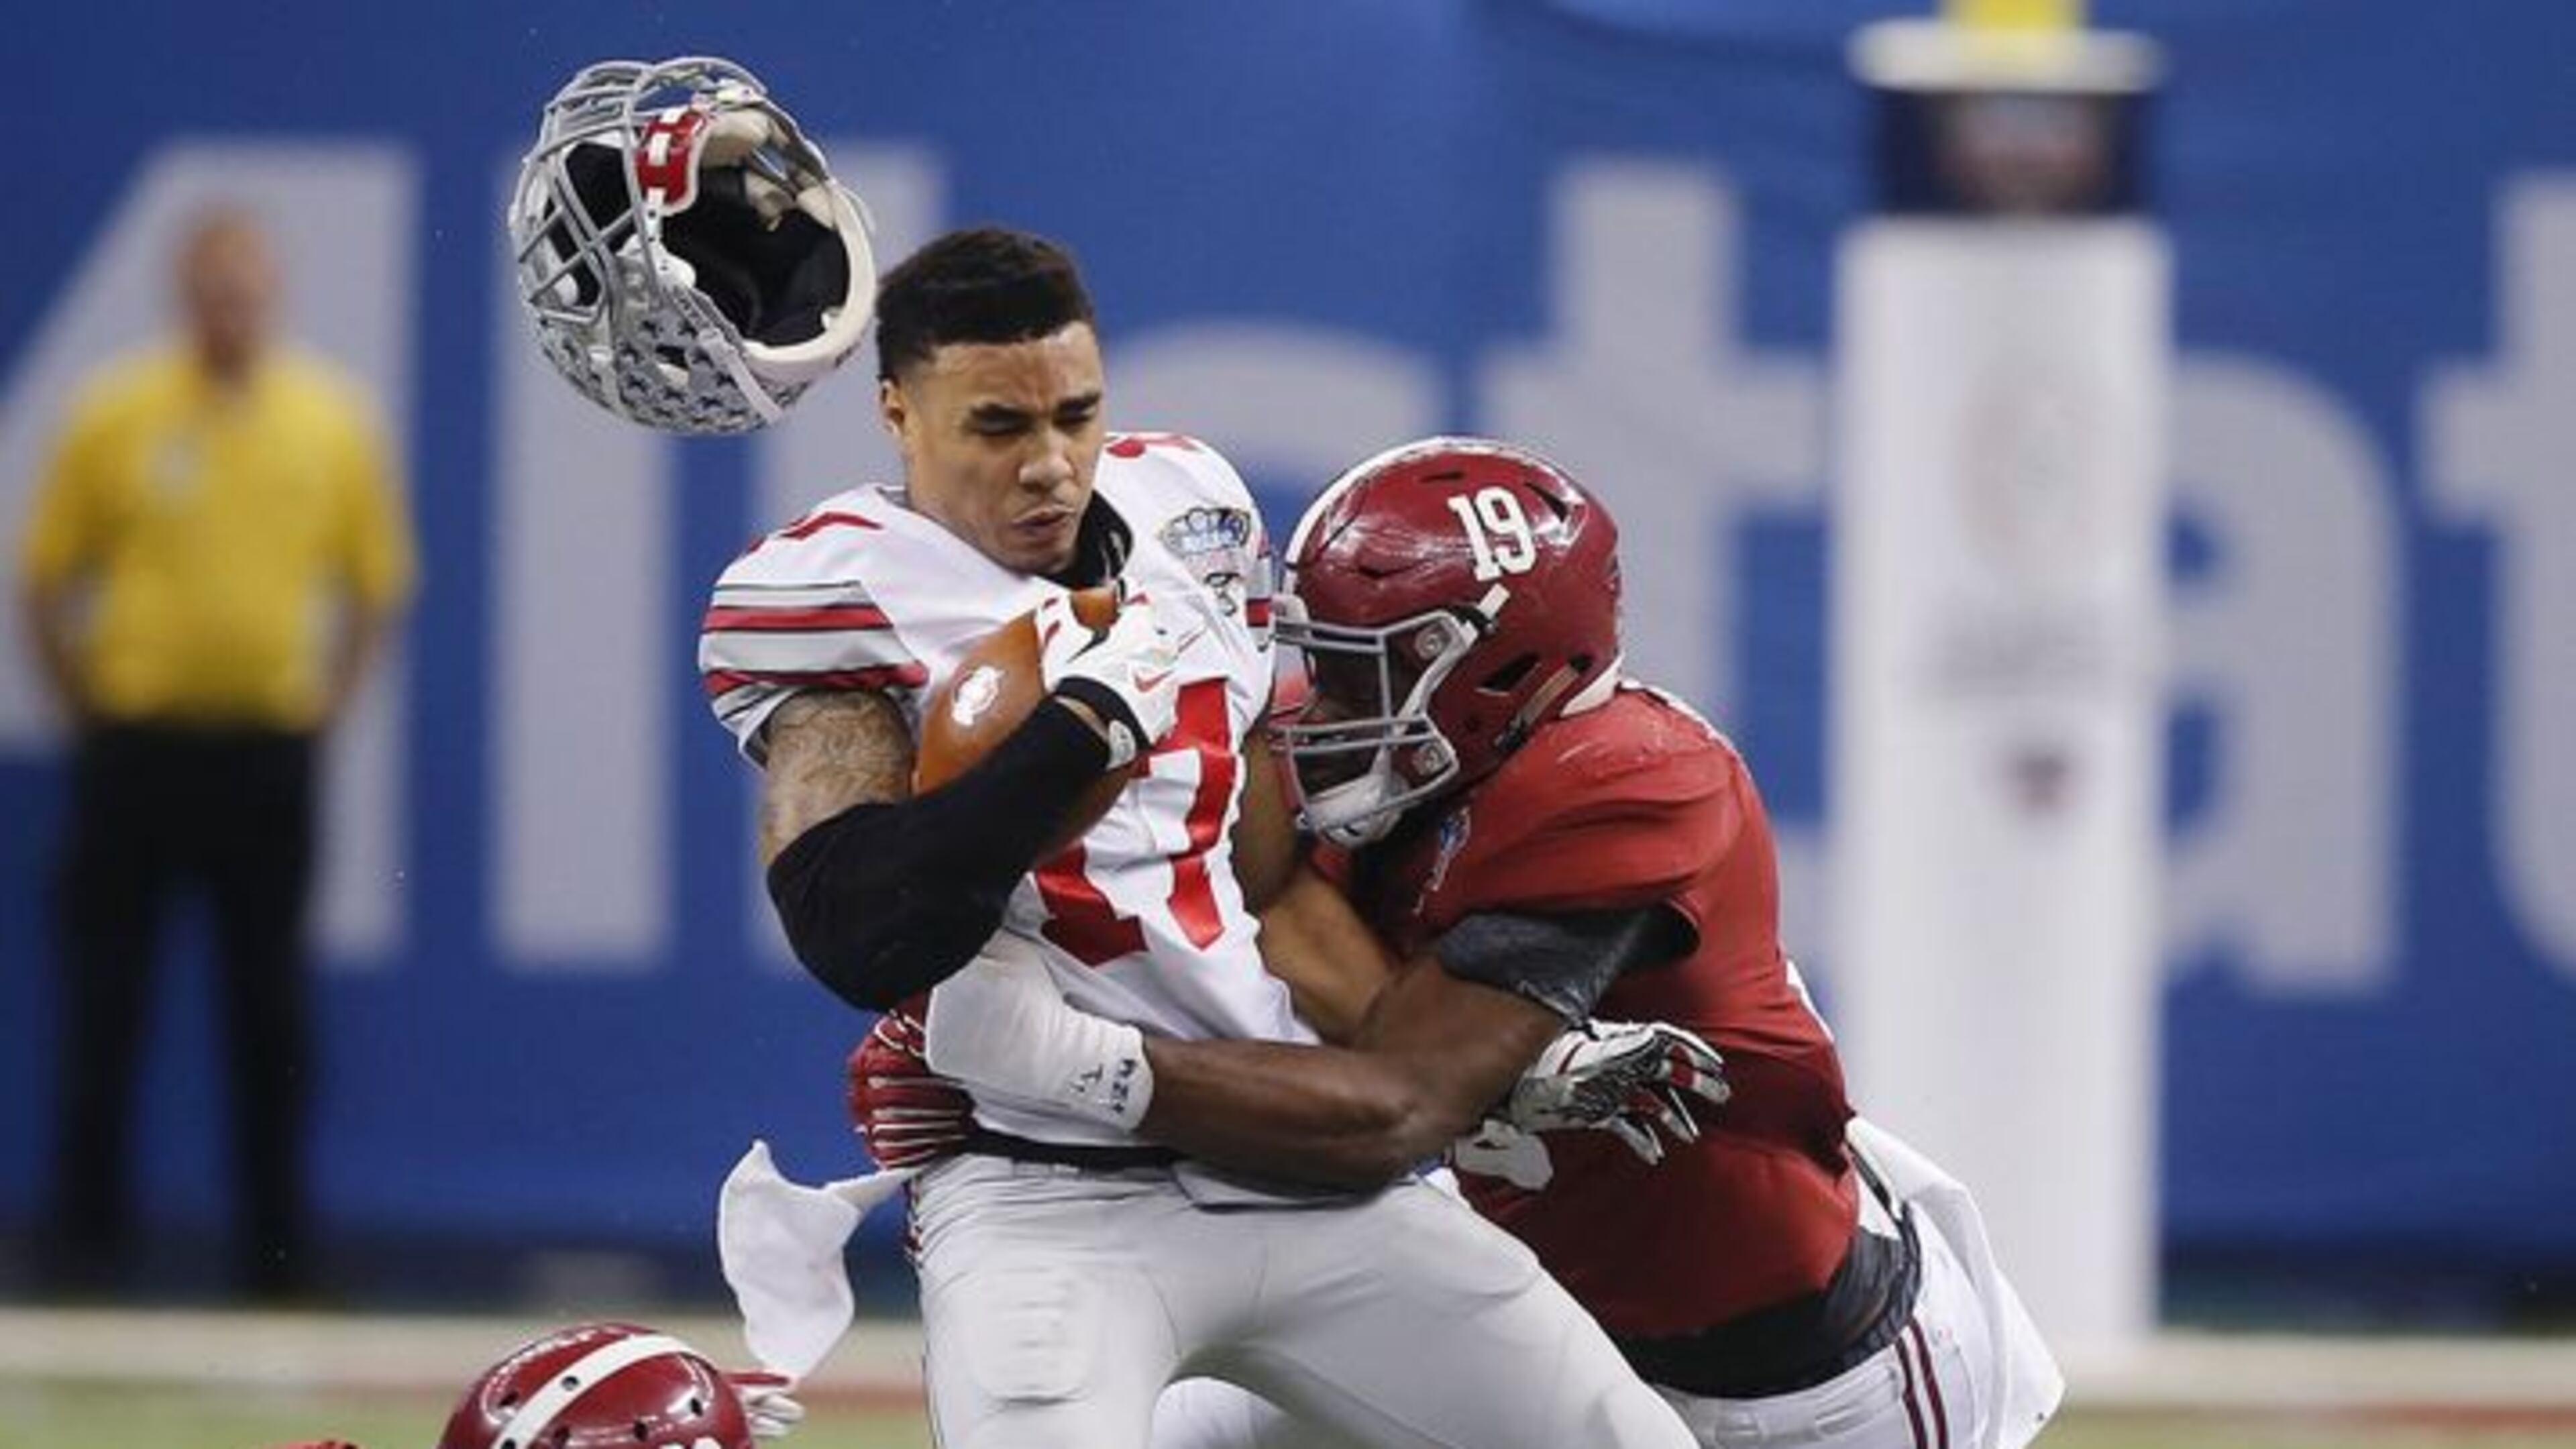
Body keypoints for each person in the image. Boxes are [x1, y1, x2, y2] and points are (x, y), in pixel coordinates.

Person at [851, 438, 2065, 1449]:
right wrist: (955, 1012)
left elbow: (1397, 1103)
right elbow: (1256, 895)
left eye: (1362, 672)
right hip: (1551, 1310)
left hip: (1801, 1382)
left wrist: (1062, 1062)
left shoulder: (1632, 782)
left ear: (1501, 671)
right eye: (1317, 662)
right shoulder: (1385, 756)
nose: (1317, 708)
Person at [696, 225, 1698, 1448]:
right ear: (898, 412)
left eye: (1076, 415)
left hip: (1300, 1168)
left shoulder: (1190, 506)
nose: (1050, 465)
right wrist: (1076, 735)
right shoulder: (835, 589)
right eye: (997, 428)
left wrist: (1486, 1069)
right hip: (1044, 1198)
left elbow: (1265, 882)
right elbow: (857, 933)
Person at [17, 207, 417, 1299]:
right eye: (212, 290)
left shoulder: (328, 423)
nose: (228, 310)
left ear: (269, 297)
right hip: (137, 747)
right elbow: (45, 575)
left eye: (244, 290)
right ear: (183, 297)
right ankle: (83, 1248)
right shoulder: (117, 414)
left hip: (264, 752)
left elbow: (373, 587)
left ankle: (277, 1255)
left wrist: (325, 708)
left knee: (268, 1008)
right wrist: (85, 709)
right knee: (107, 999)